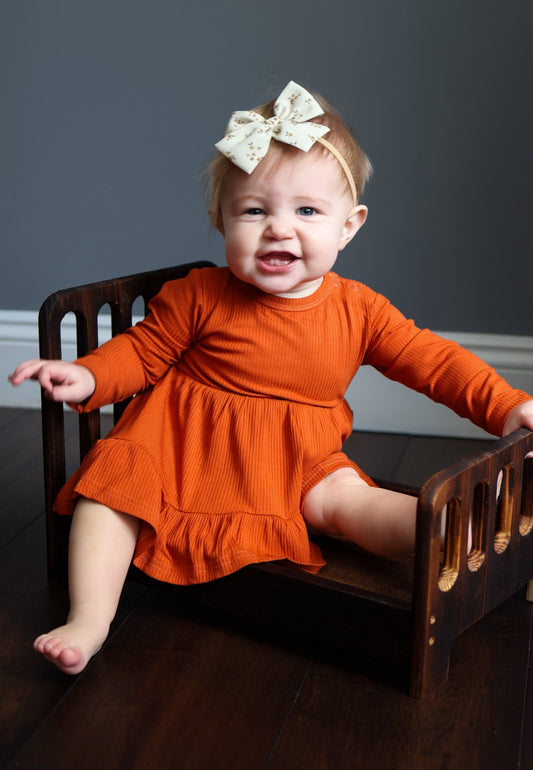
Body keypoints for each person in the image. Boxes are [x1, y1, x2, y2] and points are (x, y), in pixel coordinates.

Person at [9, 81, 533, 675]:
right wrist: (86, 375)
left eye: (307, 211)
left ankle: (440, 526)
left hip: (295, 452)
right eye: (254, 210)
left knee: (346, 504)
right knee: (106, 496)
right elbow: (142, 351)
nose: (279, 229)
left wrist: (506, 406)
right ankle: (90, 619)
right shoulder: (200, 294)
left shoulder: (359, 310)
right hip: (182, 443)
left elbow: (434, 362)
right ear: (220, 219)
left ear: (349, 225)